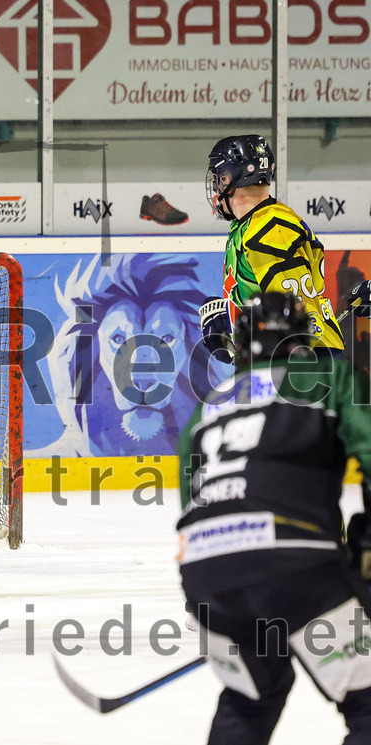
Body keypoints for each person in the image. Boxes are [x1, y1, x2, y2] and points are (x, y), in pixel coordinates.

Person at [178, 290, 371, 744]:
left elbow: (193, 503)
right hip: (296, 566)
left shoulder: (207, 407)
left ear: (240, 349)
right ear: (302, 341)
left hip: (208, 577)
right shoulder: (331, 378)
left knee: (252, 698)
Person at [199, 134, 344, 366]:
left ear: (228, 179)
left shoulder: (268, 229)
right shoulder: (254, 223)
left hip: (302, 362)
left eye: (219, 178)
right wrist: (230, 316)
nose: (216, 187)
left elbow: (289, 317)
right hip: (285, 357)